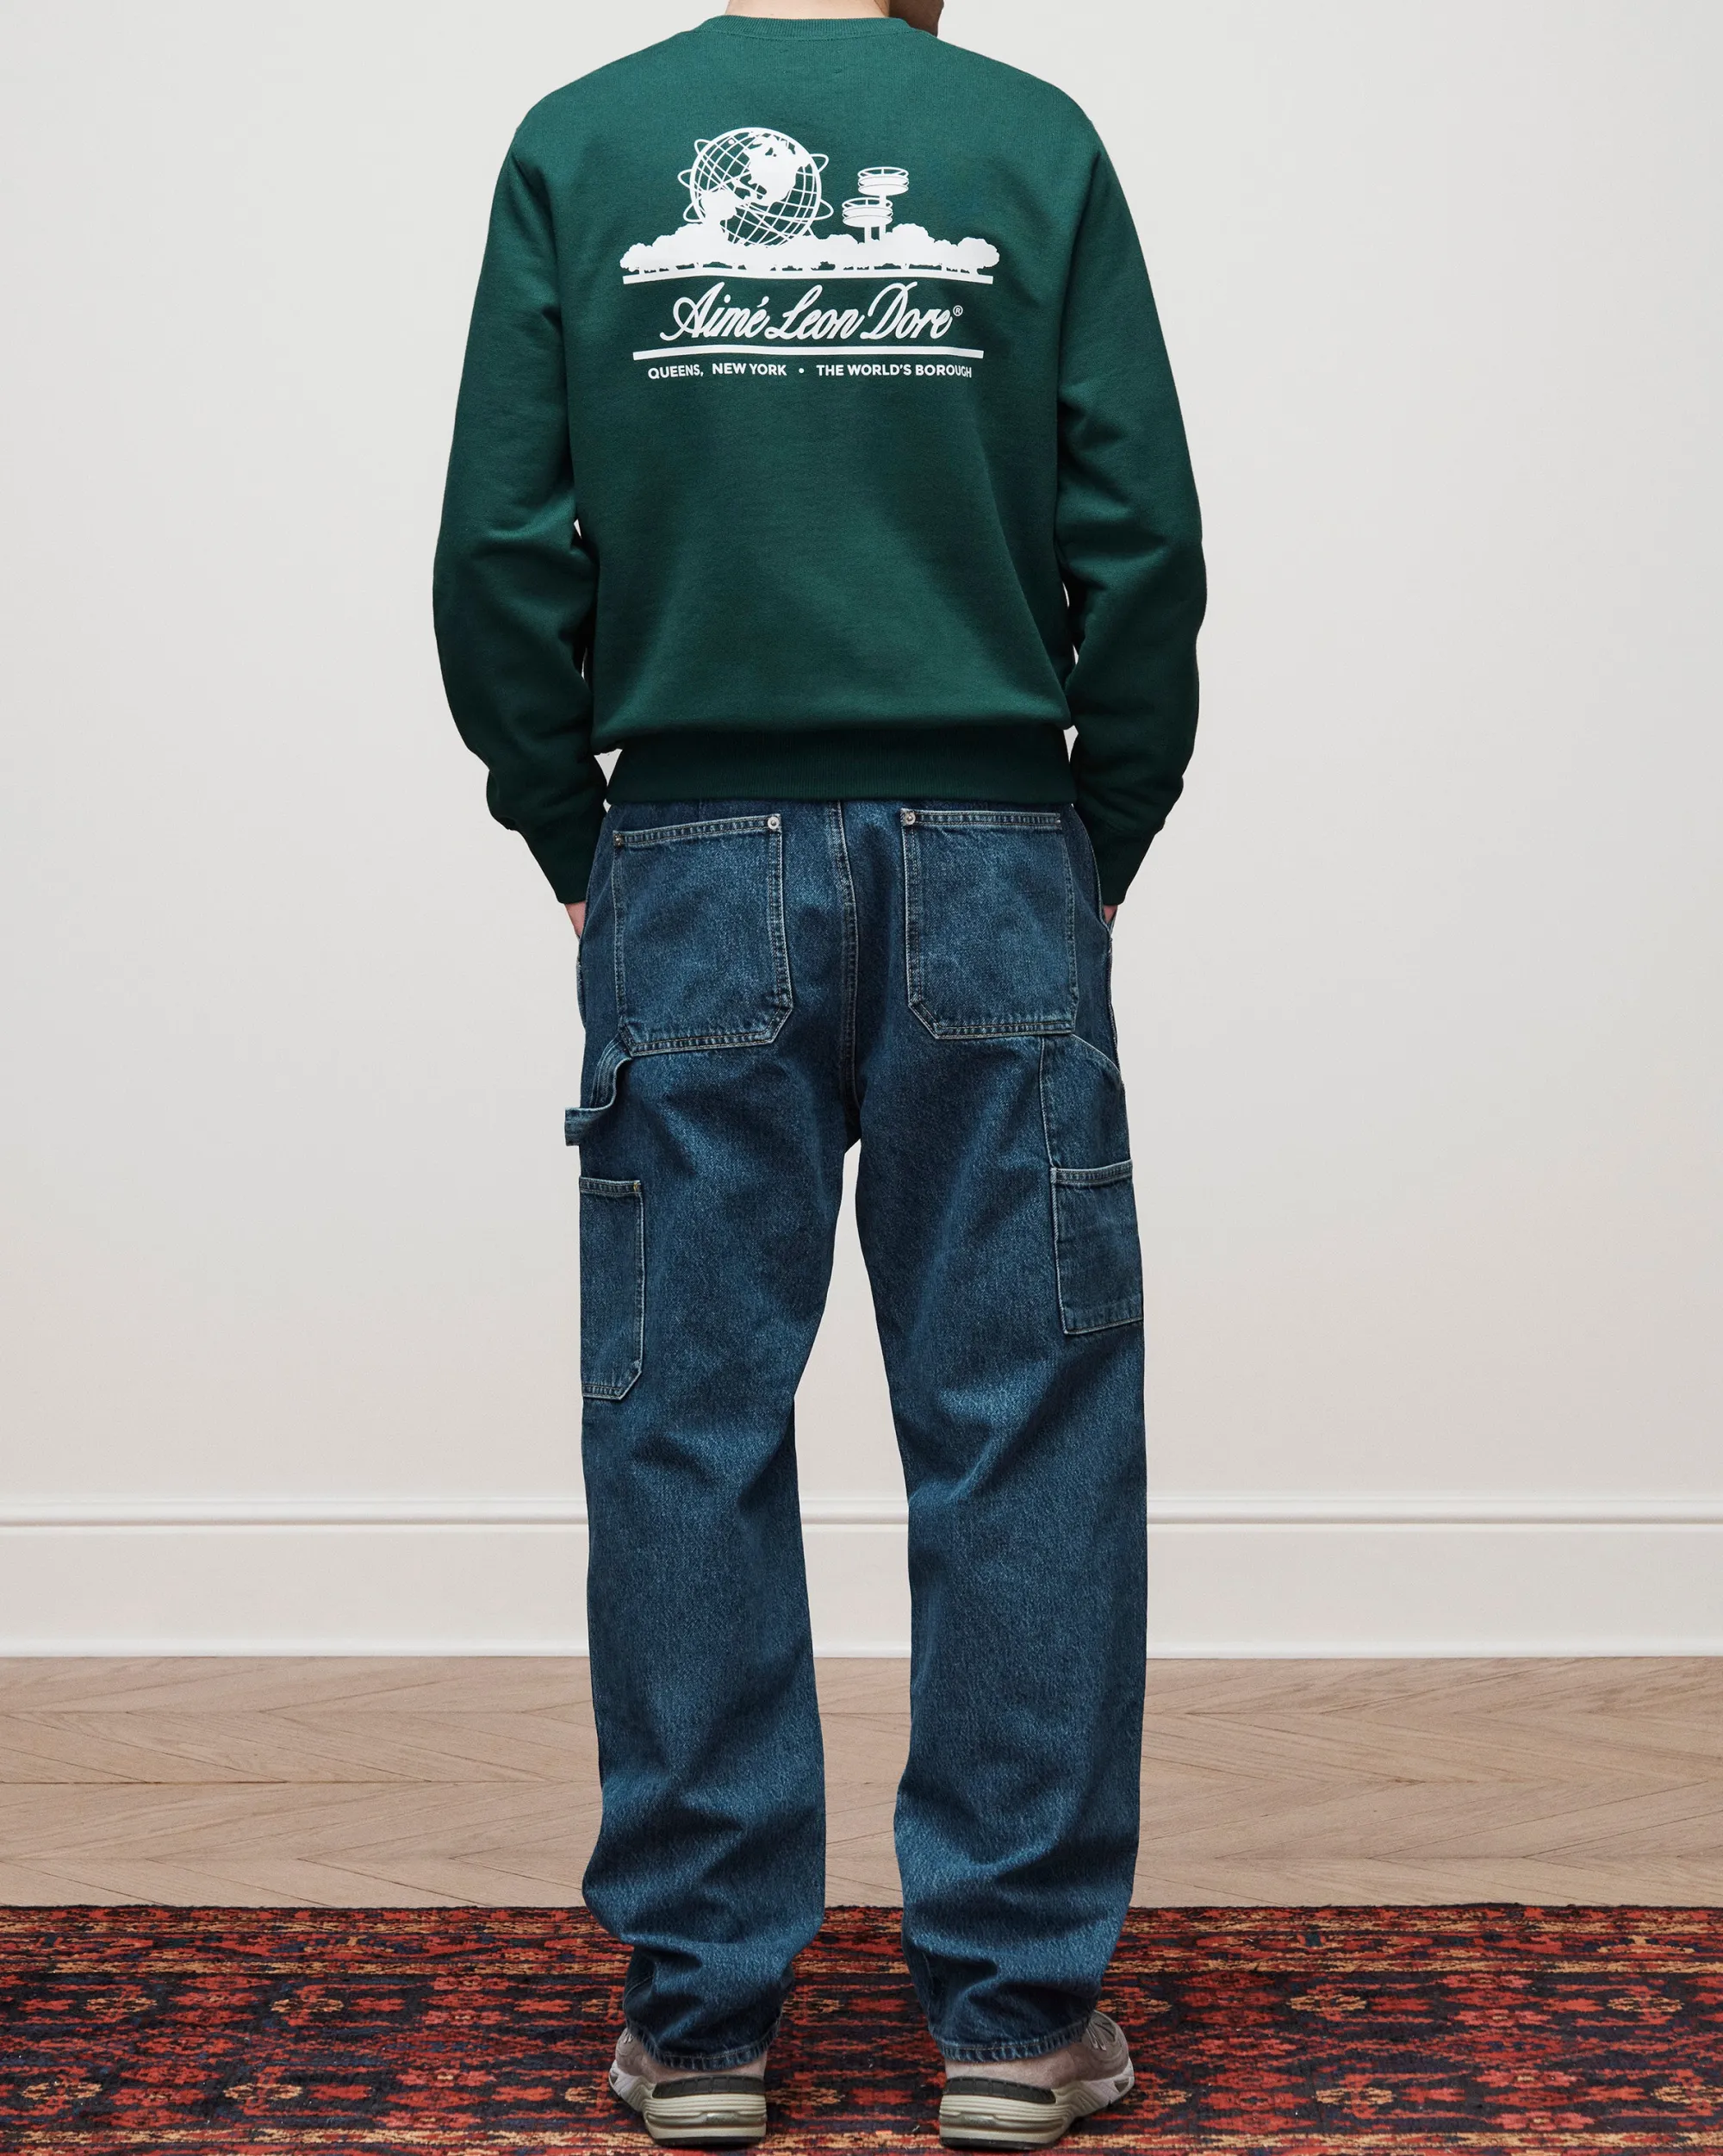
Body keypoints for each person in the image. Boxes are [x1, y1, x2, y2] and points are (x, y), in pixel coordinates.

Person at [434, 0, 1204, 2140]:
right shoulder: (1025, 138)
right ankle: (1018, 2021)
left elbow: (499, 550)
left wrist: (571, 825)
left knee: (681, 1425)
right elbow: (1140, 542)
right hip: (995, 857)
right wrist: (1098, 831)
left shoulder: (587, 144)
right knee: (1025, 1422)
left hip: (688, 852)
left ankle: (699, 2022)